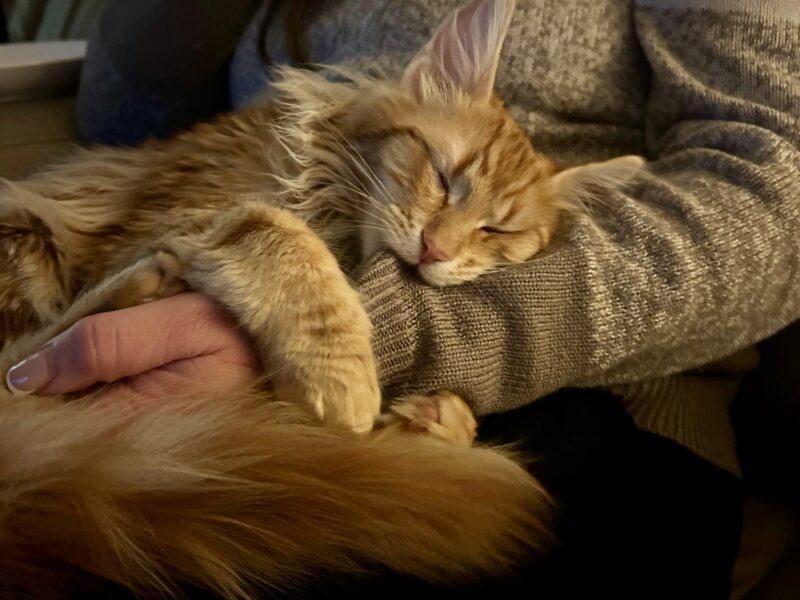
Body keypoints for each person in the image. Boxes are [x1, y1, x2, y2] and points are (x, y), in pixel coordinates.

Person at [6, 0, 800, 597]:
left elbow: (778, 195)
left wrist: (363, 329)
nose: (445, 240)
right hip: (213, 281)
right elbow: (124, 118)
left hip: (592, 388)